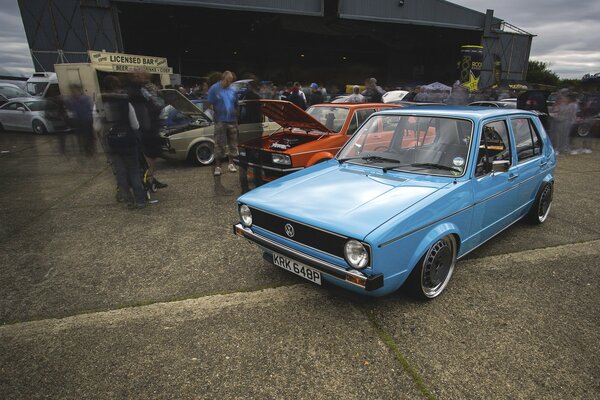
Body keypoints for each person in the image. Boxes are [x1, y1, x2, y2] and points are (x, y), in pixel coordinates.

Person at [94, 75, 148, 208]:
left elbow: (96, 126)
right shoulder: (125, 101)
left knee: (120, 171)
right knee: (134, 170)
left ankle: (128, 200)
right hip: (128, 139)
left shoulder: (99, 103)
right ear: (118, 86)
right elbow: (135, 125)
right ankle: (140, 200)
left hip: (111, 141)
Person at [128, 70, 168, 190]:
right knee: (149, 156)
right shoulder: (137, 91)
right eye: (137, 76)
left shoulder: (144, 89)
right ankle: (148, 180)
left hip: (148, 126)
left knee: (150, 156)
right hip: (146, 127)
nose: (140, 78)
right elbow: (151, 106)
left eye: (141, 76)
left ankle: (150, 179)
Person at [207, 70, 239, 195]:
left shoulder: (233, 90)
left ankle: (231, 163)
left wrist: (236, 114)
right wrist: (212, 114)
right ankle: (218, 166)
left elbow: (236, 103)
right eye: (227, 81)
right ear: (223, 78)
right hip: (220, 120)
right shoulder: (214, 89)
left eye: (230, 81)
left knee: (233, 142)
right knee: (219, 143)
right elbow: (209, 103)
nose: (229, 83)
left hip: (232, 120)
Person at [238, 78, 264, 193]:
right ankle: (258, 185)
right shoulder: (255, 97)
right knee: (257, 158)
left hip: (242, 128)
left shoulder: (241, 96)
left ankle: (244, 188)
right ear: (255, 87)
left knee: (243, 159)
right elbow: (258, 114)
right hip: (254, 127)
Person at [64, 84, 95, 158]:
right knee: (81, 137)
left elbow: (89, 109)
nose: (73, 93)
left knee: (88, 137)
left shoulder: (85, 99)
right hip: (78, 122)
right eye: (72, 91)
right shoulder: (71, 101)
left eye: (75, 91)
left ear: (79, 91)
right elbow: (70, 110)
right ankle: (86, 150)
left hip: (86, 121)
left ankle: (89, 149)